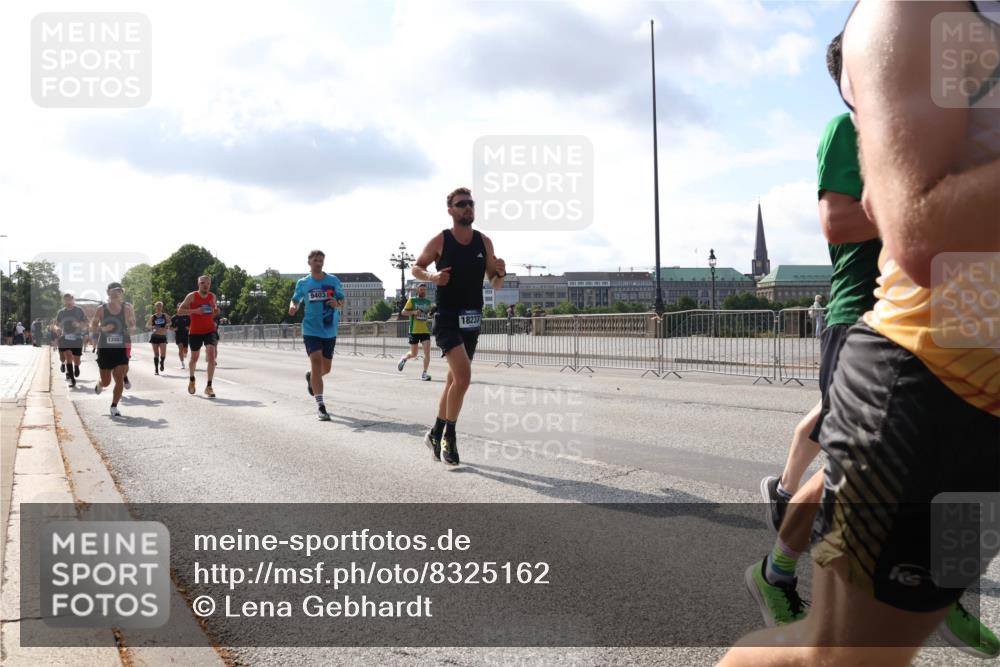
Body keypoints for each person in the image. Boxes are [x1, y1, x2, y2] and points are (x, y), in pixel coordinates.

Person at [722, 3, 1000, 666]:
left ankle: (917, 589)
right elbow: (872, 222)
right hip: (894, 335)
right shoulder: (866, 94)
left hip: (975, 376)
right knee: (843, 653)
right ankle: (783, 565)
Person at [412, 186, 506, 465]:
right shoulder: (441, 240)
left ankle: (435, 431)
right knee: (463, 377)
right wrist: (432, 276)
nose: (468, 208)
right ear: (451, 210)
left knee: (454, 380)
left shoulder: (484, 242)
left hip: (472, 318)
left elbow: (495, 283)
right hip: (448, 317)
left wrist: (501, 271)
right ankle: (449, 437)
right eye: (462, 204)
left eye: (471, 204)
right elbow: (416, 267)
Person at [289, 250, 345, 421]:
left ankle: (311, 377)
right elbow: (295, 299)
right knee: (316, 360)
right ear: (309, 262)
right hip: (311, 329)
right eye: (315, 260)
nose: (318, 262)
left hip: (329, 329)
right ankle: (321, 406)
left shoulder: (333, 281)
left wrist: (337, 303)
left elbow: (342, 300)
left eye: (321, 260)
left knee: (325, 369)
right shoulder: (303, 282)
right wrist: (293, 306)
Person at [90, 282, 135, 417]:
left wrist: (131, 329)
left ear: (121, 293)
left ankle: (114, 406)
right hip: (105, 348)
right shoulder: (101, 309)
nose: (116, 293)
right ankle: (100, 382)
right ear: (108, 292)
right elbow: (92, 326)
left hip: (120, 347)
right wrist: (102, 329)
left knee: (120, 377)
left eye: (119, 291)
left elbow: (132, 325)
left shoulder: (126, 309)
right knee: (106, 382)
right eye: (113, 291)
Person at [178, 275, 220, 398]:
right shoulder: (192, 296)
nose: (205, 285)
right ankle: (192, 379)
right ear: (198, 284)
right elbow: (180, 311)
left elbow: (213, 310)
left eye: (208, 283)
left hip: (209, 330)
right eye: (202, 283)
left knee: (211, 355)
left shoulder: (212, 296)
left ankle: (209, 386)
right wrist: (195, 311)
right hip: (195, 331)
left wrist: (216, 312)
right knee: (194, 358)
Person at [397, 283, 433, 381]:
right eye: (421, 289)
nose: (423, 291)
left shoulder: (428, 302)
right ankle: (404, 359)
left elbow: (429, 314)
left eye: (424, 290)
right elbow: (403, 312)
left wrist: (431, 314)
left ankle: (424, 374)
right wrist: (413, 312)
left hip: (425, 330)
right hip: (414, 330)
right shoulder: (412, 300)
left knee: (427, 353)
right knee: (414, 354)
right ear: (417, 290)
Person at [55, 293, 87, 388]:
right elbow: (56, 324)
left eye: (69, 300)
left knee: (76, 360)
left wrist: (79, 324)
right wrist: (57, 328)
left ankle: (76, 367)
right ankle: (72, 380)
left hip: (77, 338)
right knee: (67, 356)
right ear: (63, 301)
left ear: (73, 300)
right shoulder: (61, 312)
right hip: (65, 337)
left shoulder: (79, 311)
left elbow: (86, 323)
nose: (68, 302)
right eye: (66, 300)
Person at [147, 302, 169, 376]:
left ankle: (162, 362)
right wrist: (153, 327)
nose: (159, 308)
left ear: (162, 307)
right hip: (155, 336)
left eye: (160, 306)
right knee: (156, 354)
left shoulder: (164, 315)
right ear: (155, 308)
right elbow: (147, 325)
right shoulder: (153, 316)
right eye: (157, 306)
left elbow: (170, 322)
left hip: (162, 336)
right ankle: (156, 369)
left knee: (163, 354)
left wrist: (167, 325)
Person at [171, 304, 190, 369]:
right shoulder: (174, 317)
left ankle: (185, 354)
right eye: (178, 307)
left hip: (185, 335)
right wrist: (174, 329)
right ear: (177, 308)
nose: (180, 309)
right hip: (178, 335)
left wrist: (189, 327)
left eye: (181, 307)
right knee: (180, 348)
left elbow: (192, 325)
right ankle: (182, 363)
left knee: (185, 350)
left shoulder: (187, 317)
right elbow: (170, 327)